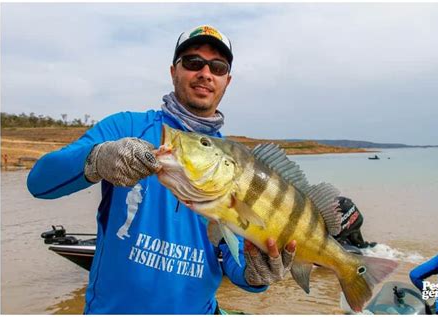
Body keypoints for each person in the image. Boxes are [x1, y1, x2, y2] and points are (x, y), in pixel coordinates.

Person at [27, 25, 296, 314]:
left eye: (217, 67)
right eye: (193, 63)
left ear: (226, 81)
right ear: (173, 71)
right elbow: (40, 182)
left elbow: (235, 258)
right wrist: (95, 159)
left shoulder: (232, 163)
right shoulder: (127, 127)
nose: (205, 73)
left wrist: (257, 274)